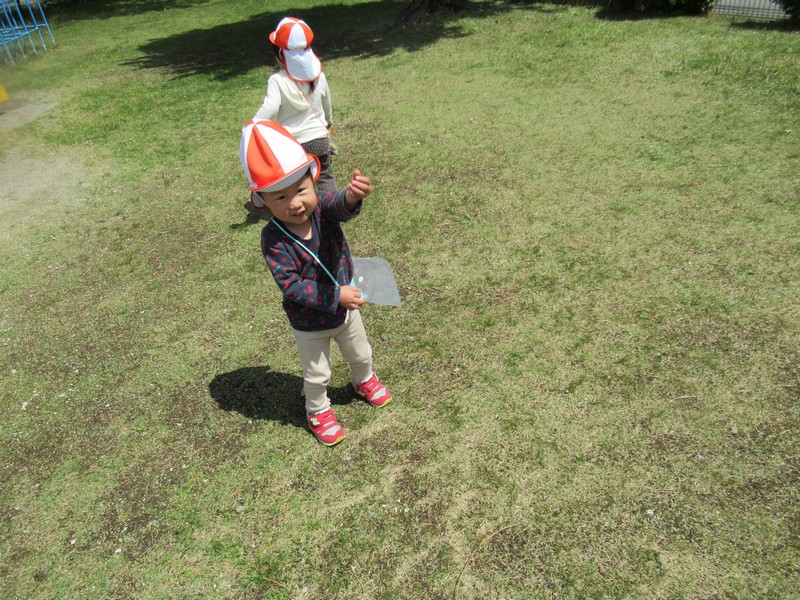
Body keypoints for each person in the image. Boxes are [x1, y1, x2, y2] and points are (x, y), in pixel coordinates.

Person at [239, 119, 392, 446]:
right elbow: (292, 285)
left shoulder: (321, 207)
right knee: (317, 373)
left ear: (312, 180)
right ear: (262, 201)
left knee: (361, 352)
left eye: (300, 190)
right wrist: (336, 295)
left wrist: (350, 197)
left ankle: (363, 379)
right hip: (310, 322)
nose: (295, 203)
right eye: (280, 197)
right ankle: (318, 410)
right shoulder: (273, 239)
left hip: (347, 310)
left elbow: (337, 204)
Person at [253, 17, 336, 193]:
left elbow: (270, 108)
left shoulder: (277, 80)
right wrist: (329, 121)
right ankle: (330, 207)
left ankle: (304, 209)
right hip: (319, 139)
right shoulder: (319, 77)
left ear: (280, 56)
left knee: (298, 186)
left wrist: (254, 124)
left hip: (293, 145)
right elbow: (327, 104)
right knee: (325, 177)